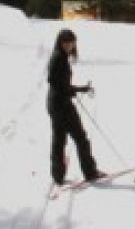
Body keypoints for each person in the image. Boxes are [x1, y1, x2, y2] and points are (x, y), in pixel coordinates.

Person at [47, 28, 105, 184]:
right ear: (60, 42)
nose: (69, 45)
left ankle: (58, 176)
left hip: (56, 103)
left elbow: (62, 84)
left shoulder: (61, 57)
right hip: (61, 105)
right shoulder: (58, 58)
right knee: (81, 138)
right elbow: (53, 81)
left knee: (59, 139)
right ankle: (90, 172)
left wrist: (77, 89)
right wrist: (71, 91)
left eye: (71, 42)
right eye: (66, 42)